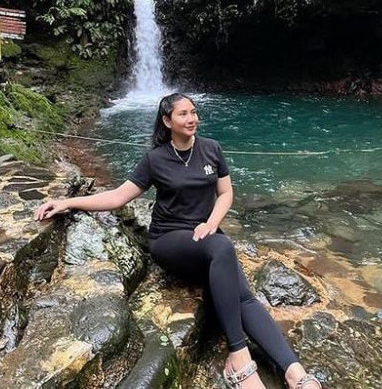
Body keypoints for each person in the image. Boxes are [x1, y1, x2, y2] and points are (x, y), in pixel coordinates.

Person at [35, 93, 322, 389]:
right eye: (183, 114)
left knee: (243, 295)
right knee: (223, 248)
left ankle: (293, 370)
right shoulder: (155, 158)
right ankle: (238, 357)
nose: (191, 118)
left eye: (194, 112)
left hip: (206, 237)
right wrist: (68, 202)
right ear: (167, 121)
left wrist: (211, 223)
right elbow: (118, 196)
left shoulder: (212, 149)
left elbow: (226, 194)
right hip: (169, 239)